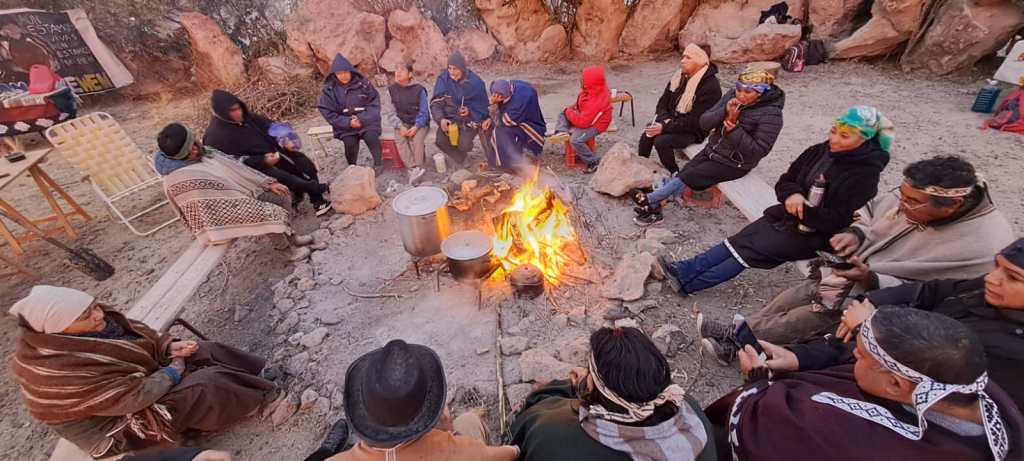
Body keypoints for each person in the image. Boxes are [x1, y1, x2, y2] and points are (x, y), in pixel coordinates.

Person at [700, 155, 1015, 362]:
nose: (901, 207)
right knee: (794, 296)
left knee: (806, 319)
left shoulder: (985, 244)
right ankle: (741, 332)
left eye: (913, 203)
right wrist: (855, 234)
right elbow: (870, 210)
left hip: (876, 300)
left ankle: (740, 342)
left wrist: (872, 279)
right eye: (902, 196)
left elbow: (938, 296)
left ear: (953, 205)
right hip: (843, 272)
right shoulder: (911, 195)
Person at [705, 308, 1024, 461]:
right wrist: (800, 358)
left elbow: (768, 428)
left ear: (896, 384)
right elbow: (847, 361)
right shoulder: (977, 392)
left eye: (859, 356)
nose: (851, 359)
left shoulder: (846, 438)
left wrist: (756, 385)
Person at [8, 286, 275, 459]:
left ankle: (262, 376)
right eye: (86, 316)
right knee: (204, 385)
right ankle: (260, 402)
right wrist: (174, 368)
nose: (99, 315)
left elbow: (142, 339)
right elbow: (133, 398)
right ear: (60, 329)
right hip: (116, 428)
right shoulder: (51, 369)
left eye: (94, 307)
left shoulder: (101, 323)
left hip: (136, 385)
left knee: (203, 350)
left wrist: (170, 346)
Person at [656, 106, 893, 297]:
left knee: (749, 252)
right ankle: (684, 269)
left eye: (844, 136)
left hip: (814, 234)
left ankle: (689, 285)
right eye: (833, 131)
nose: (834, 139)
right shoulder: (819, 151)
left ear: (866, 140)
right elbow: (786, 181)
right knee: (740, 239)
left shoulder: (865, 175)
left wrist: (804, 212)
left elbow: (839, 219)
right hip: (786, 215)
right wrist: (792, 195)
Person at [832, 238, 1024, 409]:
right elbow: (929, 290)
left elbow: (931, 379)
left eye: (1013, 277)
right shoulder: (987, 290)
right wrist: (872, 302)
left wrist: (866, 328)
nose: (991, 278)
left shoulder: (1013, 354)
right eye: (996, 266)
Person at [510, 327, 715, 461]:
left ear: (593, 387)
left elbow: (525, 425)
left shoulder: (553, 435)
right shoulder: (691, 411)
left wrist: (572, 387)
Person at [317, 339, 518, 461]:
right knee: (469, 421)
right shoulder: (462, 452)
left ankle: (325, 449)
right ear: (429, 410)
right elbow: (511, 453)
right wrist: (449, 432)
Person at [634, 68, 785, 226]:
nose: (740, 95)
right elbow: (704, 122)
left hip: (735, 163)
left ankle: (649, 200)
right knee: (685, 172)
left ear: (761, 92)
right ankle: (654, 209)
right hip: (713, 150)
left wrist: (734, 129)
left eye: (748, 92)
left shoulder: (771, 115)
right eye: (739, 89)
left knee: (689, 176)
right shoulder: (732, 95)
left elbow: (758, 151)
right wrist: (724, 110)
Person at [155, 123, 316, 262]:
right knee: (269, 212)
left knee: (282, 196)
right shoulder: (178, 178)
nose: (195, 151)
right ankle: (285, 251)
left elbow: (235, 168)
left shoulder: (205, 151)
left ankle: (290, 236)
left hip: (242, 192)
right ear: (178, 157)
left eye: (194, 146)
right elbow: (211, 203)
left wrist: (265, 183)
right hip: (220, 214)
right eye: (189, 153)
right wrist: (251, 204)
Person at [203, 90, 331, 216]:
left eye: (239, 108)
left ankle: (317, 200)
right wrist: (262, 160)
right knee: (284, 176)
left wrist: (285, 139)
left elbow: (271, 126)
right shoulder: (214, 136)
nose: (239, 112)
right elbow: (231, 164)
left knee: (304, 162)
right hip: (254, 169)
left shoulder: (248, 116)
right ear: (222, 113)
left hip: (274, 152)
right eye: (233, 110)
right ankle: (319, 188)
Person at [637, 44, 721, 175]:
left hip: (693, 130)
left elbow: (696, 121)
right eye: (683, 56)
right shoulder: (679, 77)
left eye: (688, 58)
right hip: (672, 120)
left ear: (700, 61)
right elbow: (662, 102)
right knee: (648, 133)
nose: (682, 61)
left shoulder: (711, 87)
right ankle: (639, 167)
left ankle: (675, 174)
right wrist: (664, 120)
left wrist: (665, 127)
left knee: (661, 141)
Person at [318, 53, 383, 170]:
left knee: (371, 137)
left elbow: (374, 104)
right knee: (350, 142)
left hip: (367, 122)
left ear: (351, 71)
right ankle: (352, 167)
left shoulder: (363, 84)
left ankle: (378, 164)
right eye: (339, 73)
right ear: (334, 75)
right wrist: (348, 122)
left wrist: (362, 118)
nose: (343, 76)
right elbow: (328, 113)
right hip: (345, 126)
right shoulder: (329, 90)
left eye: (345, 72)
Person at [430, 51, 492, 169]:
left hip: (468, 120)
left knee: (464, 145)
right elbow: (435, 103)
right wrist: (441, 119)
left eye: (455, 69)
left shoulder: (475, 83)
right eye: (449, 68)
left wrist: (470, 111)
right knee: (440, 141)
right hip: (449, 119)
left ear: (462, 68)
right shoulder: (443, 79)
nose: (452, 72)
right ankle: (462, 158)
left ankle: (465, 148)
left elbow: (483, 106)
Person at [547, 65, 613, 173]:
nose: (581, 80)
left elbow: (583, 123)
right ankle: (561, 132)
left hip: (596, 124)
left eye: (583, 79)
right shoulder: (594, 89)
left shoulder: (595, 101)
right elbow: (581, 104)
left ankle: (593, 161)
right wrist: (572, 109)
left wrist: (570, 112)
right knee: (563, 113)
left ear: (590, 82)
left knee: (575, 140)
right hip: (587, 116)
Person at [484, 79, 546, 175]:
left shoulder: (520, 101)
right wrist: (488, 117)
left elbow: (502, 122)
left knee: (499, 131)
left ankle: (506, 164)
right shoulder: (508, 86)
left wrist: (493, 105)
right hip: (513, 120)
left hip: (530, 125)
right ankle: (500, 159)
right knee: (489, 126)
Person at [387, 62, 429, 183]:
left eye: (402, 70)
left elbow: (424, 112)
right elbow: (390, 113)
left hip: (419, 122)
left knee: (417, 139)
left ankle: (419, 166)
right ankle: (413, 168)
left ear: (410, 74)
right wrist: (400, 126)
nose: (398, 72)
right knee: (399, 139)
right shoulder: (391, 91)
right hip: (402, 122)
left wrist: (416, 126)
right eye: (396, 69)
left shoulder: (419, 89)